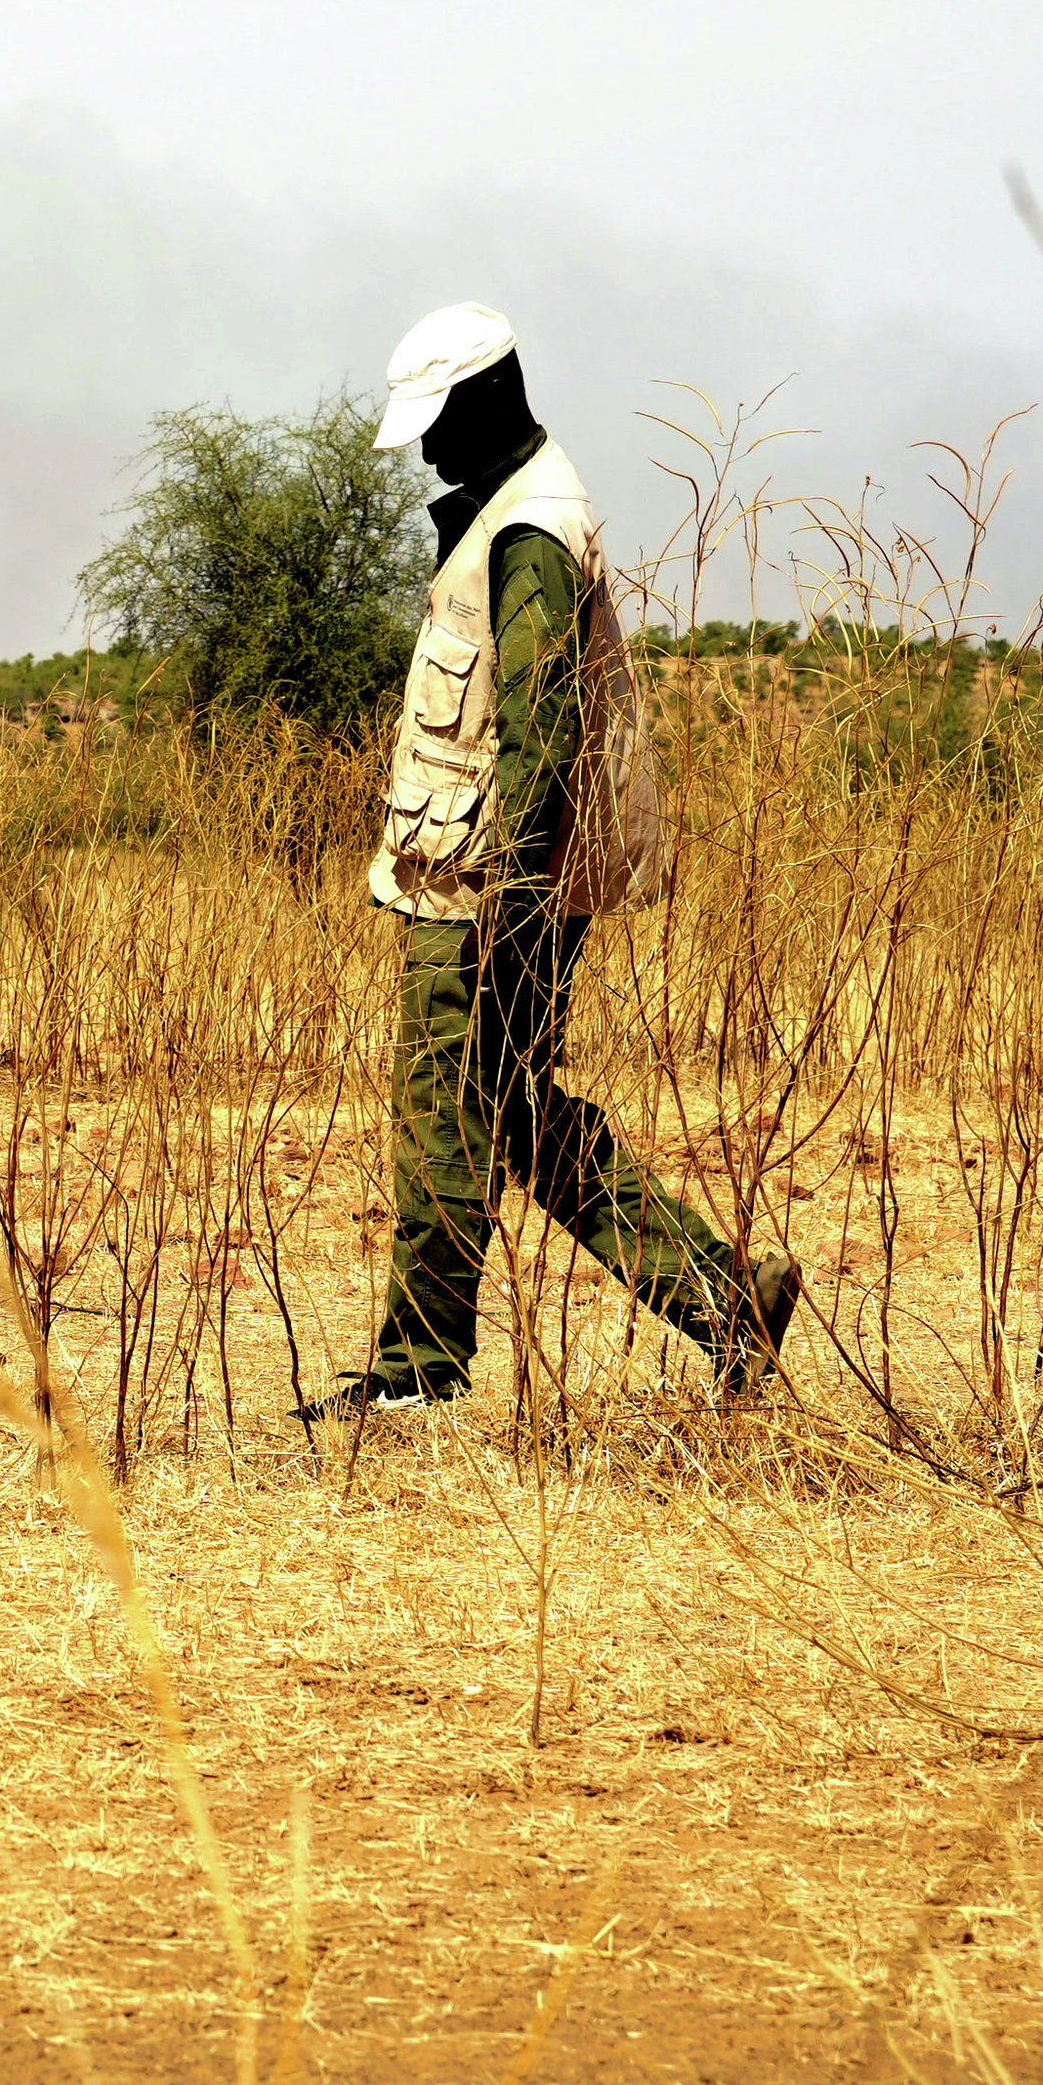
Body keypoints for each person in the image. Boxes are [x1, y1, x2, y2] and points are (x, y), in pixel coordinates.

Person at [299, 303, 798, 1424]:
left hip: (488, 887)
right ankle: (726, 1301)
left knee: (443, 1106)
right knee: (513, 1111)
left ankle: (415, 1374)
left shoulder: (532, 534)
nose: (426, 449)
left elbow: (542, 736)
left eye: (437, 423)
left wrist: (510, 909)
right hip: (483, 877)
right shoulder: (515, 512)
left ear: (487, 400)